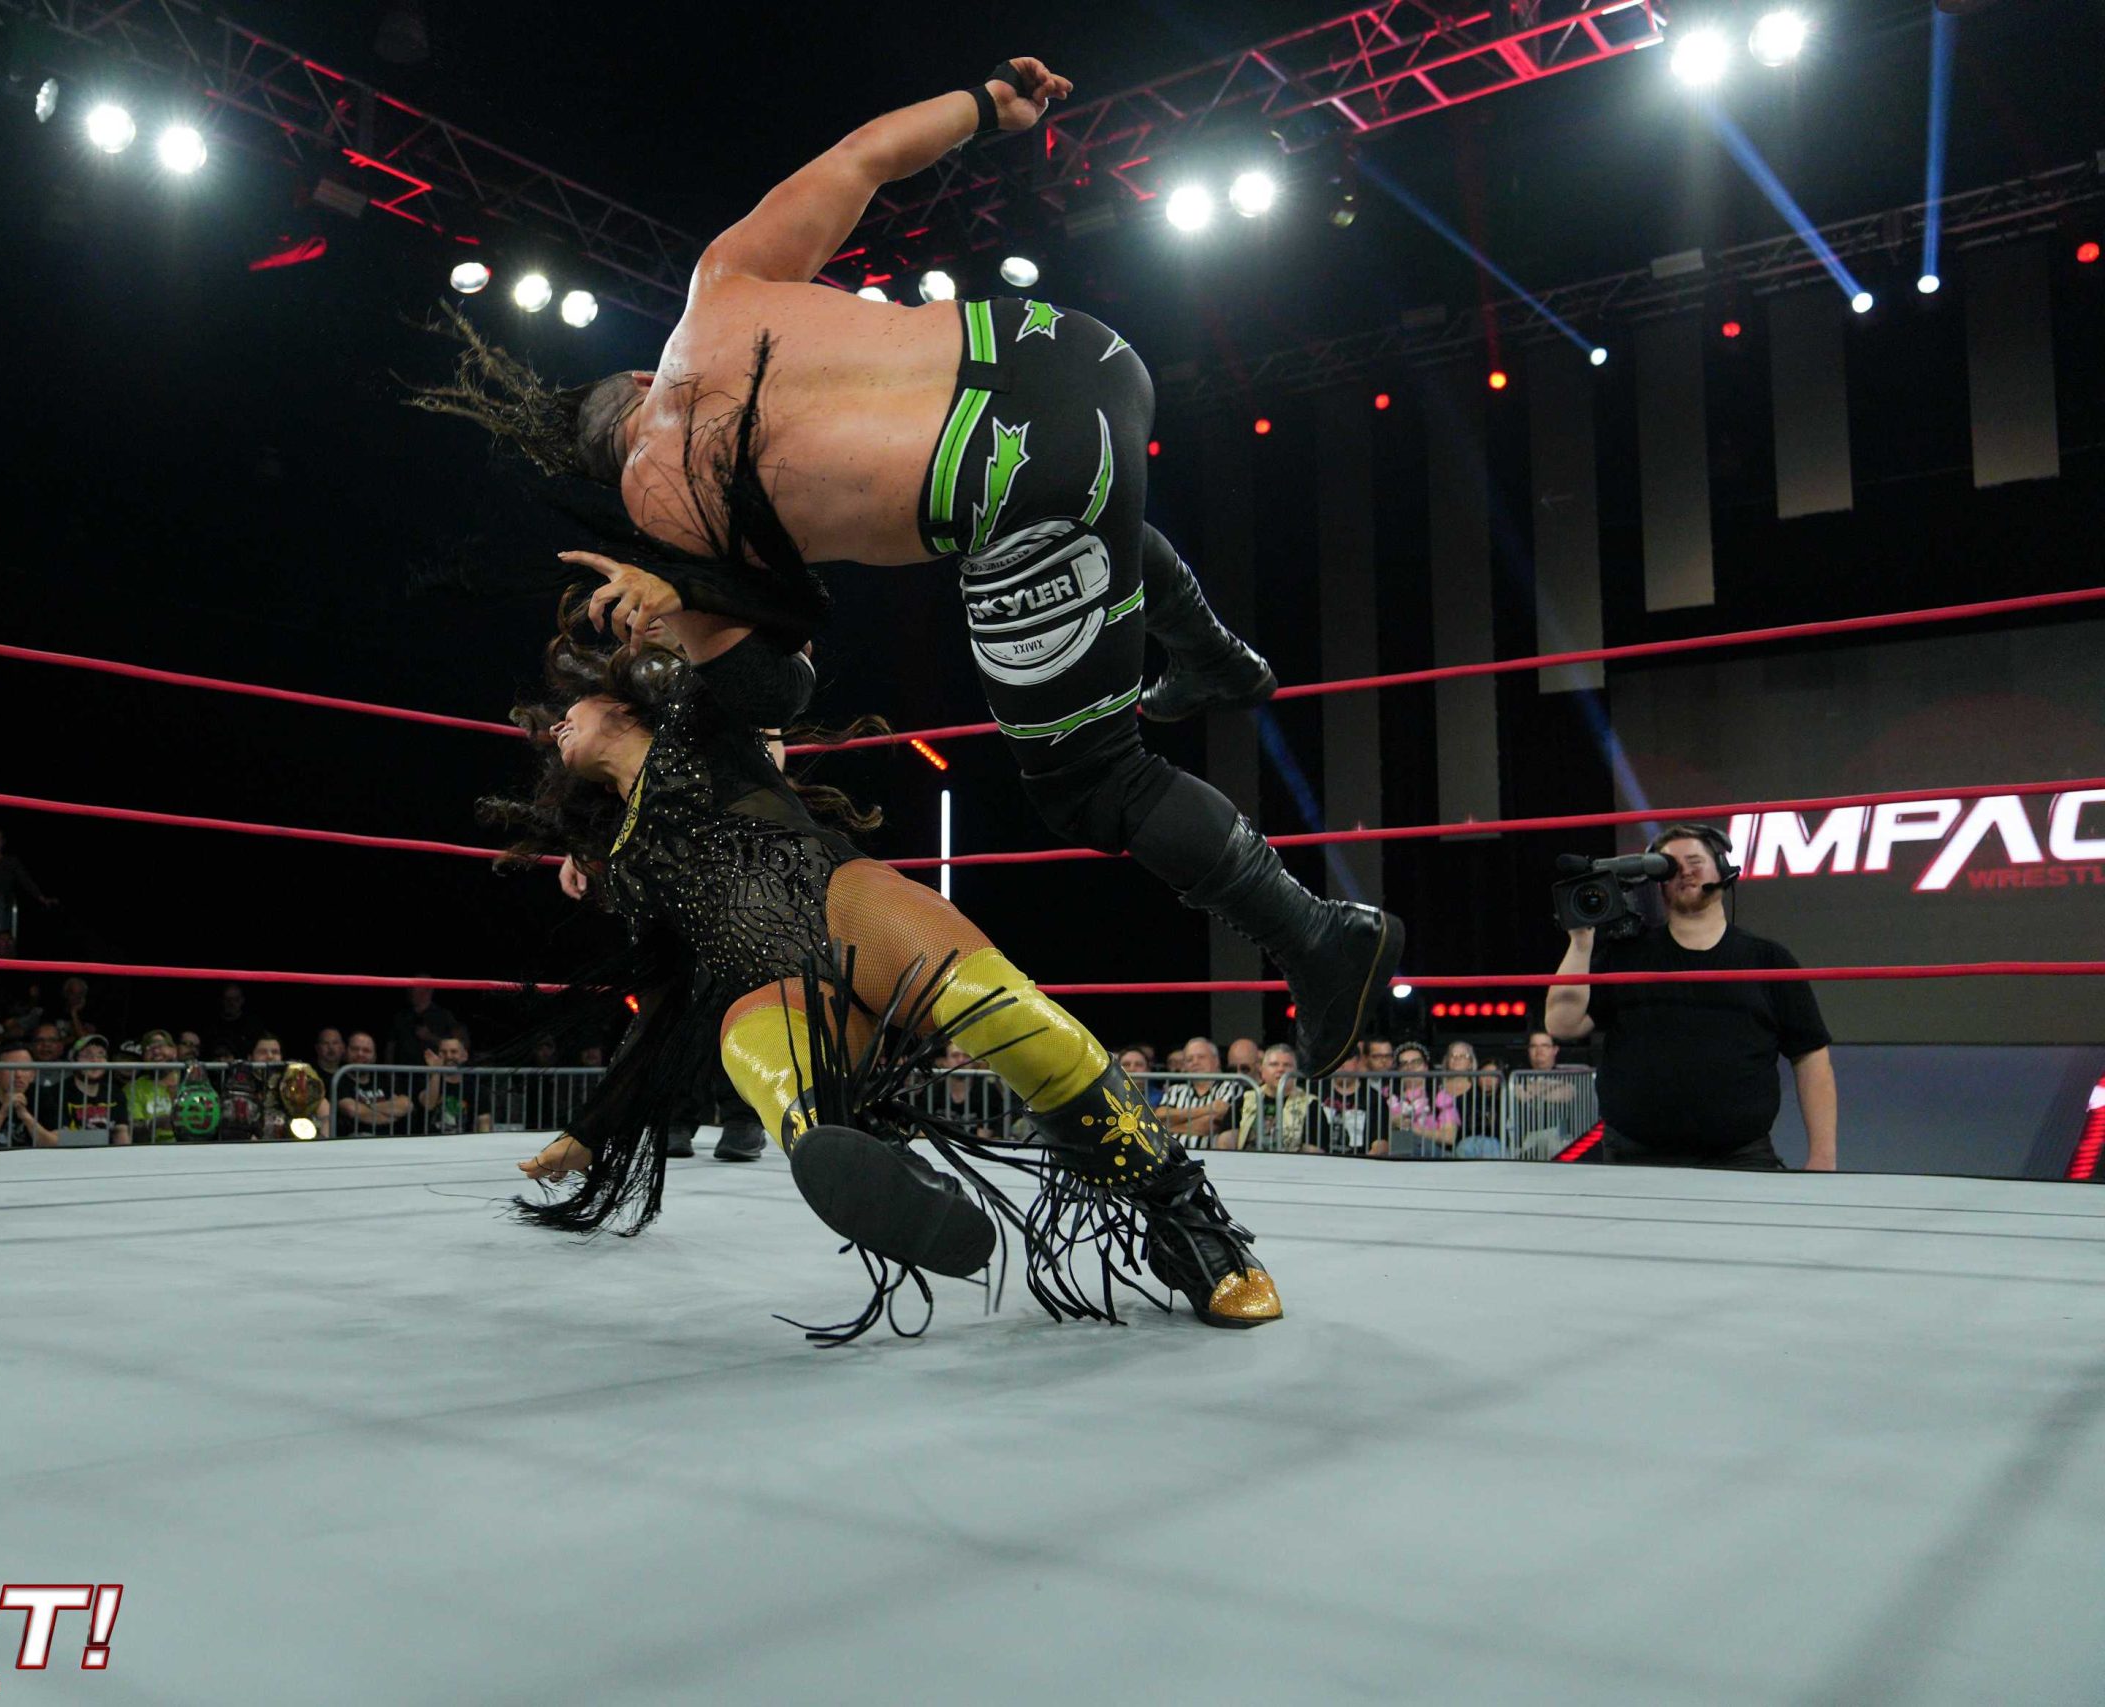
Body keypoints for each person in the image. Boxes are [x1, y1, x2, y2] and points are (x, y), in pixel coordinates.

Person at [408, 56, 1398, 1077]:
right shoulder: (718, 288)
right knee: (1083, 517)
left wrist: (684, 610)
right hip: (1075, 351)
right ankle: (1211, 655)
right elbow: (862, 158)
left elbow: (778, 688)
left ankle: (1319, 935)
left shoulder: (657, 501)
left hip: (1018, 479)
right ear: (633, 372)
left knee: (1091, 779)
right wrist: (985, 105)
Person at [491, 608, 1276, 1332]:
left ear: (621, 702)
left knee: (1000, 1011)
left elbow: (775, 674)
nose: (557, 724)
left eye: (571, 708)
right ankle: (891, 1173)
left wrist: (693, 620)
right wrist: (593, 1128)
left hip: (839, 904)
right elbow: (665, 998)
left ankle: (1181, 1215)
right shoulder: (626, 864)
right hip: (771, 990)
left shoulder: (698, 724)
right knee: (769, 1073)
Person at [1546, 823, 1838, 1170]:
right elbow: (1562, 1025)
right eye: (1669, 866)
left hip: (1740, 1158)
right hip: (1635, 1157)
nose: (1684, 871)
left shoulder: (1768, 960)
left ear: (1723, 869)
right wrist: (1581, 943)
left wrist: (1822, 1157)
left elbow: (1811, 1057)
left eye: (1695, 861)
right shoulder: (1626, 956)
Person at [1506, 1029, 1596, 1161]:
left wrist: (1530, 1089)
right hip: (1527, 1137)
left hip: (1558, 1135)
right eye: (1534, 1046)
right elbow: (1518, 1093)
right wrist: (1549, 1088)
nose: (1539, 1051)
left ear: (1555, 1050)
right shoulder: (1517, 1076)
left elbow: (1565, 1094)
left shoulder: (1566, 1075)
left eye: (1545, 1046)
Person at [1155, 1037, 1244, 1145]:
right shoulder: (1175, 1090)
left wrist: (1169, 1127)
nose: (1195, 1062)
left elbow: (1211, 1125)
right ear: (1185, 1066)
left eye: (1201, 1057)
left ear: (1216, 1061)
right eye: (1189, 1059)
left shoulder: (1230, 1087)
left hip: (1209, 1154)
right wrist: (1207, 1109)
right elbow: (1159, 1118)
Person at [334, 1030, 415, 1136]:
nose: (360, 1054)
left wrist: (367, 1106)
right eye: (354, 1049)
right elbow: (352, 1110)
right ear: (345, 1052)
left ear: (374, 1057)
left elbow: (405, 1105)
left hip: (389, 1138)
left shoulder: (381, 1079)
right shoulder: (338, 1079)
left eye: (366, 1051)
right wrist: (392, 1116)